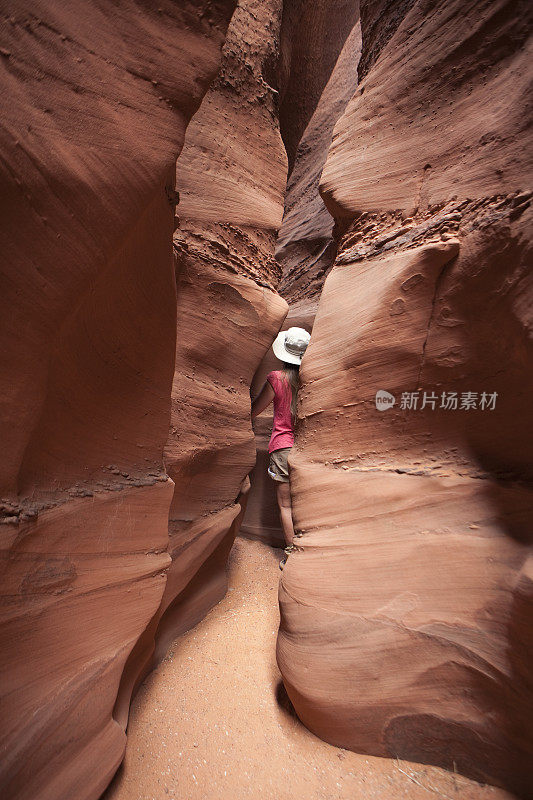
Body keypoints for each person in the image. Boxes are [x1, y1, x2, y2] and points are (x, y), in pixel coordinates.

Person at [251, 327, 311, 563]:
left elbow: (255, 411)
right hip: (306, 446)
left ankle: (292, 555)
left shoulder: (276, 379)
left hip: (283, 447)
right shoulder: (310, 380)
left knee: (286, 505)